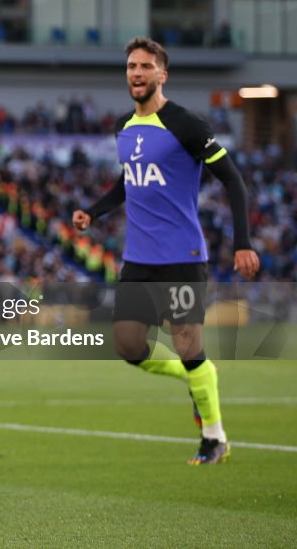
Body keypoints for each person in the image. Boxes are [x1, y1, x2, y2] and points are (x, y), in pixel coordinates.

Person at [72, 37, 260, 465]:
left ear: (162, 74)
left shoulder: (186, 125)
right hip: (138, 257)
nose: (137, 73)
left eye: (145, 67)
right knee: (128, 346)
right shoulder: (124, 126)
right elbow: (129, 180)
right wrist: (94, 212)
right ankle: (196, 383)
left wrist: (243, 243)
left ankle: (214, 438)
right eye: (131, 67)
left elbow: (233, 180)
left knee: (189, 344)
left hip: (182, 255)